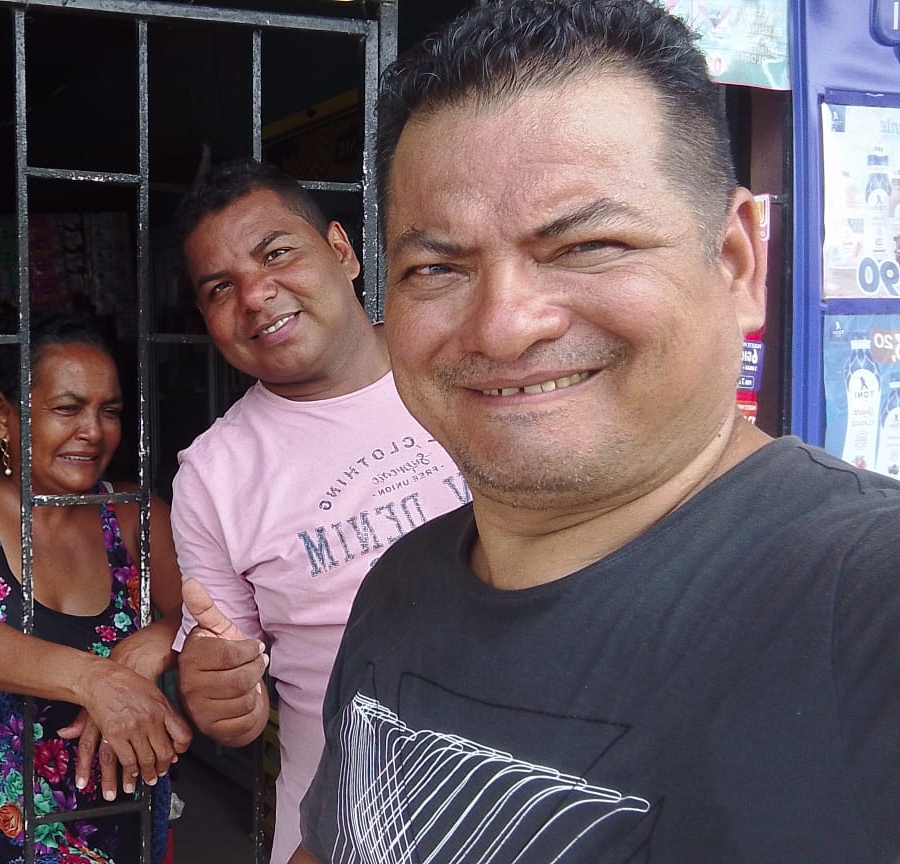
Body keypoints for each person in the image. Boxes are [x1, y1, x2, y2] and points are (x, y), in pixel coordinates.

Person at [297, 1, 900, 861]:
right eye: (437, 267)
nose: (504, 327)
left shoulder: (867, 608)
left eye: (587, 246)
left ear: (735, 261)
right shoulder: (401, 583)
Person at [169, 160, 467, 864]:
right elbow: (226, 668)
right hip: (344, 830)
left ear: (341, 251)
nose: (255, 295)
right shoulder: (213, 475)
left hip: (539, 796)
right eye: (220, 287)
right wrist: (221, 699)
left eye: (276, 253)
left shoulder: (466, 361)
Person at [0, 312, 190, 864]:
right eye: (67, 408)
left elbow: (209, 611)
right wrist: (96, 679)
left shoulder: (133, 515)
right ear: (2, 415)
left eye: (110, 411)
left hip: (119, 821)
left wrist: (155, 643)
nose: (93, 430)